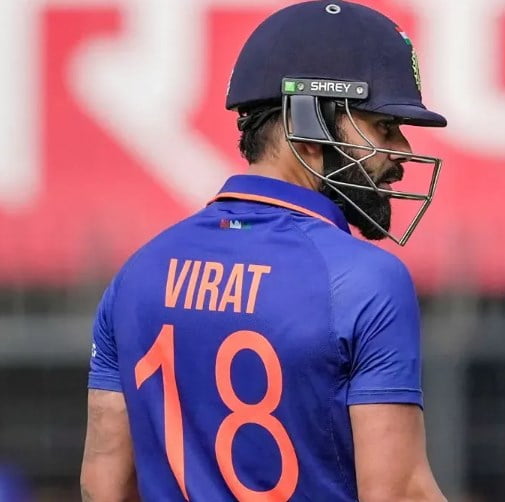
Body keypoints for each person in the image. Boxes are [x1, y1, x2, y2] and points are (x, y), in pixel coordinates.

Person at [80, 1, 448, 500]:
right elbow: (399, 492)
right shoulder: (364, 280)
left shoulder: (139, 272)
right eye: (384, 127)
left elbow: (102, 483)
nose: (402, 151)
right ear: (309, 124)